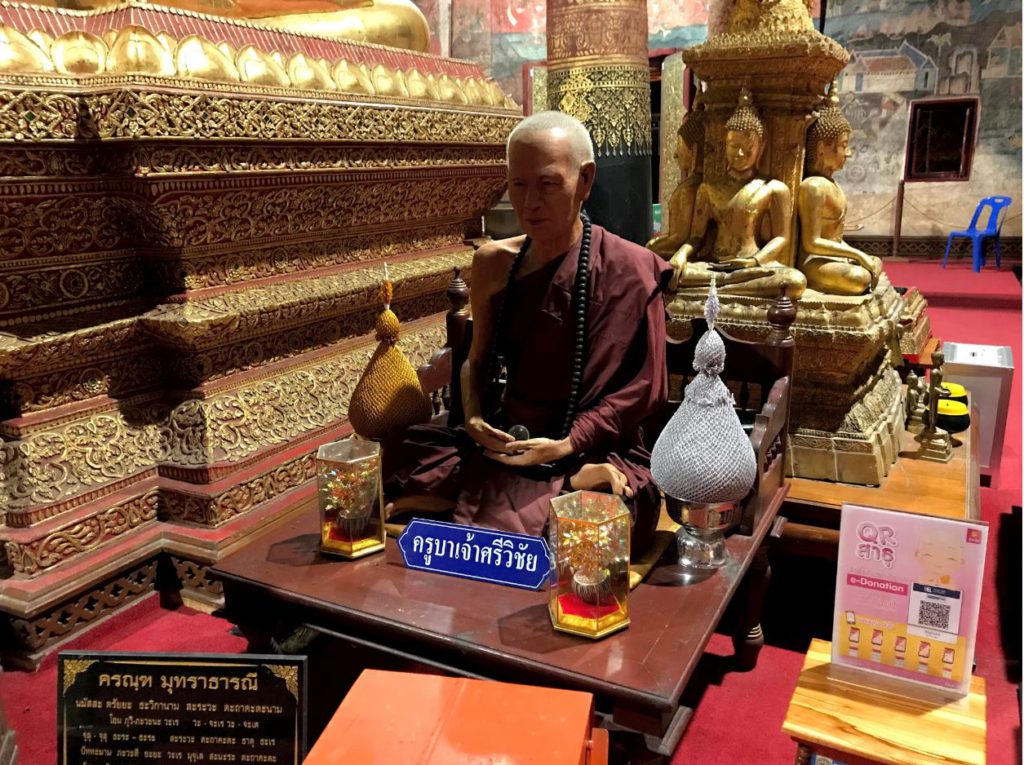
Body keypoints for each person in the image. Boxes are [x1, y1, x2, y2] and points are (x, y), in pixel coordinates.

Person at [384, 111, 673, 552]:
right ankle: (544, 500)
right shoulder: (493, 263)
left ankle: (468, 505)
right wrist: (477, 417)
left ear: (586, 181)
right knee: (399, 451)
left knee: (618, 508)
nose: (530, 202)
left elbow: (646, 388)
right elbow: (475, 360)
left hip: (592, 448)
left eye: (548, 184)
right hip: (508, 441)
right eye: (517, 185)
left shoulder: (631, 269)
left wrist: (566, 446)